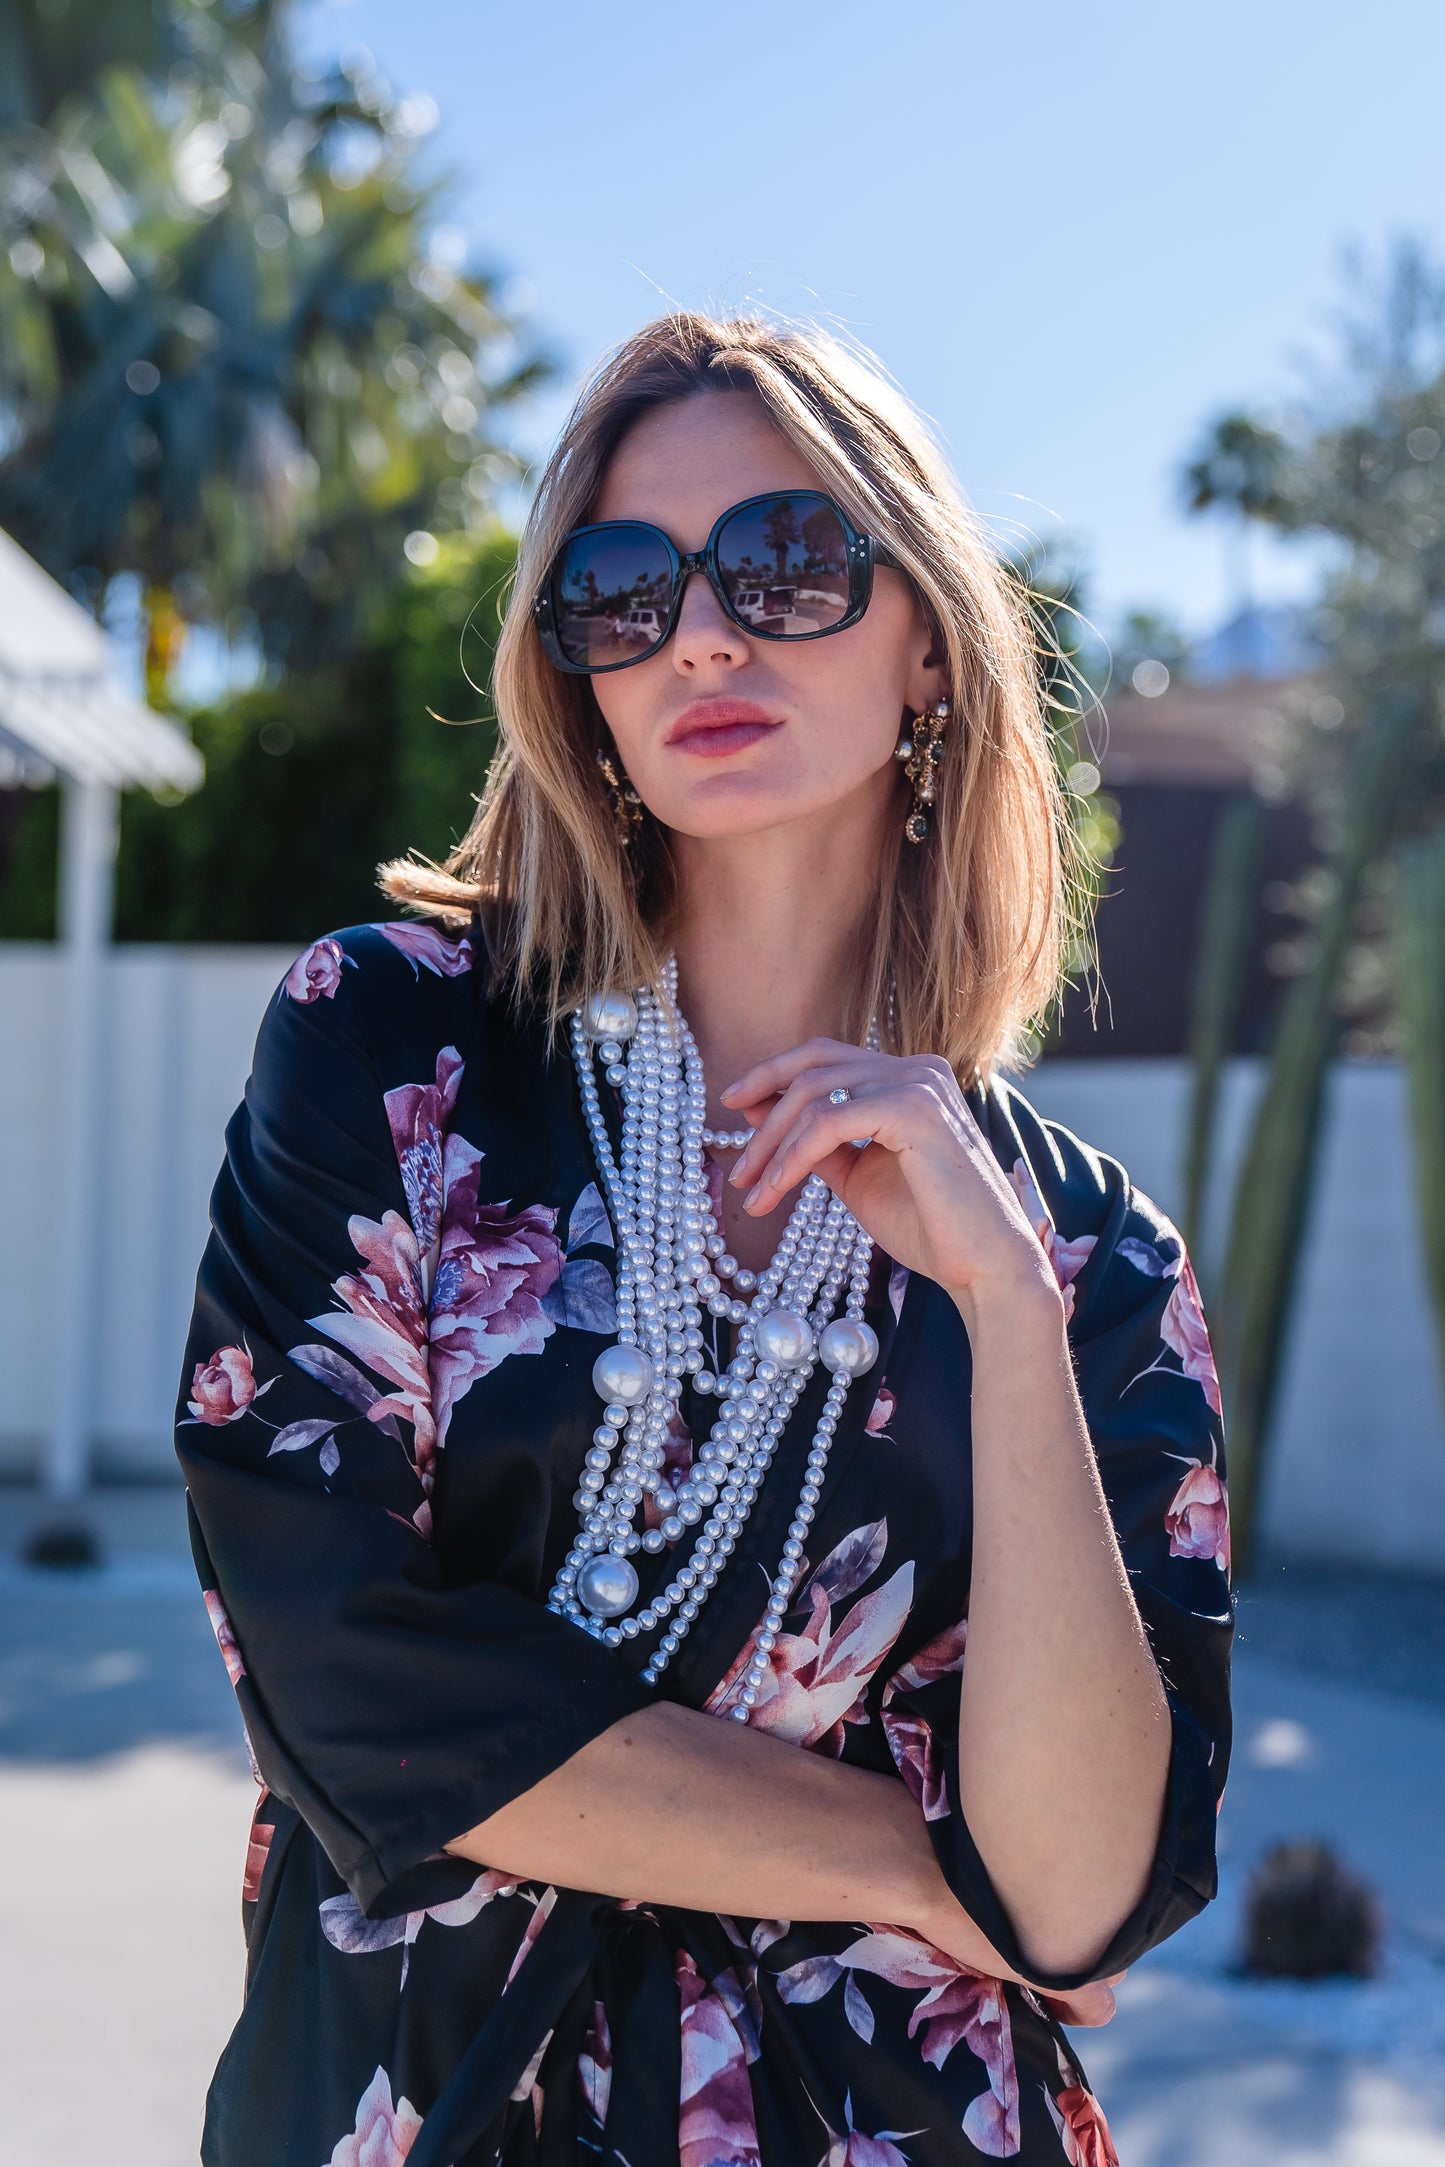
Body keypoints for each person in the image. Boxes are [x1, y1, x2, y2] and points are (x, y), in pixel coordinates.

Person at [177, 312, 1232, 2167]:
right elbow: (345, 1682)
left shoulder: (1082, 1252)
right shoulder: (399, 1046)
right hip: (421, 2105)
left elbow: (1077, 1898)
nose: (703, 636)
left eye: (785, 562)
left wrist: (997, 1302)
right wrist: (914, 1871)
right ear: (568, 671)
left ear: (926, 638)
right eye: (618, 590)